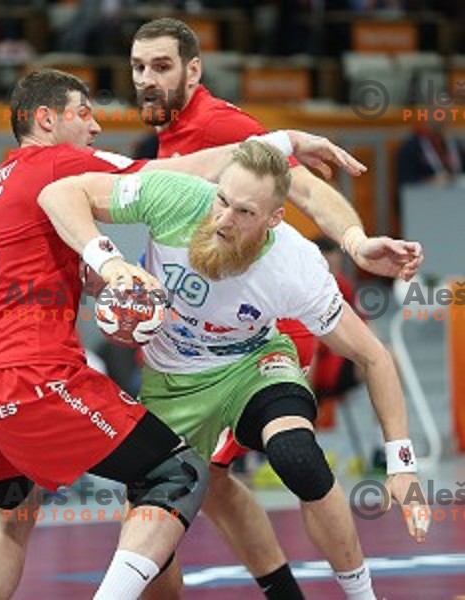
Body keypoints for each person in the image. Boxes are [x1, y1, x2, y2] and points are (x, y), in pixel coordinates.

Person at [0, 67, 363, 600]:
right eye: (82, 114)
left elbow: (20, 277)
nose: (93, 128)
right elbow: (173, 171)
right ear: (44, 120)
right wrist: (282, 141)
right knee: (175, 471)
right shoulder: (55, 161)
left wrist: (99, 286)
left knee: (11, 511)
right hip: (27, 374)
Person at [39, 140, 429, 600]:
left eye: (244, 212)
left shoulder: (294, 264)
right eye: (222, 200)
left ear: (273, 219)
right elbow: (59, 193)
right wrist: (110, 261)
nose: (224, 219)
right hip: (172, 381)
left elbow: (373, 356)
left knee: (297, 456)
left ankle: (363, 597)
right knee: (156, 531)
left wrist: (402, 465)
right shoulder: (175, 198)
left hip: (254, 364)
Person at [129, 16, 423, 599]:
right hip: (202, 339)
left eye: (161, 67)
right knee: (204, 479)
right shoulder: (169, 135)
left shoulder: (218, 123)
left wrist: (358, 243)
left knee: (290, 457)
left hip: (264, 328)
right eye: (138, 67)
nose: (146, 80)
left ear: (194, 71)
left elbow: (305, 191)